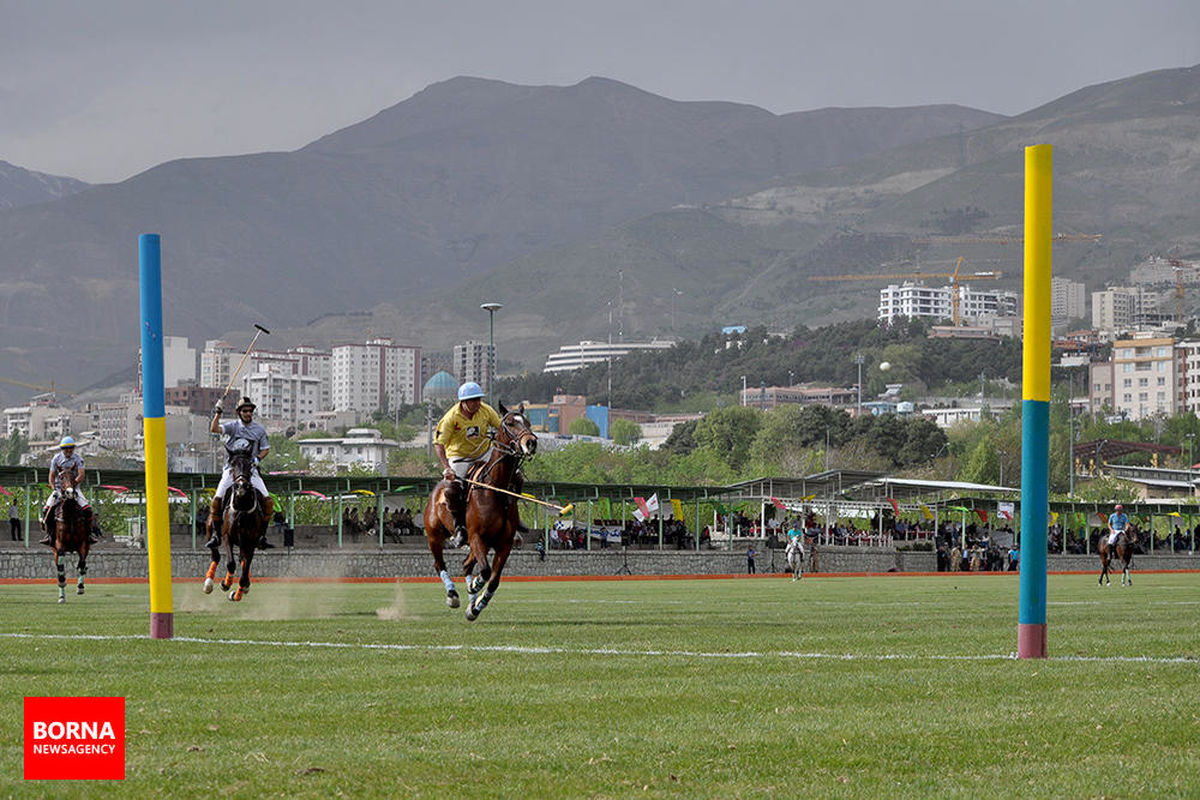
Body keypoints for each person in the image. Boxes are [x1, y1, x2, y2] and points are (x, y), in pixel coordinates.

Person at [433, 381, 503, 548]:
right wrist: (447, 467)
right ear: (463, 402)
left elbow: (501, 427)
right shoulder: (450, 418)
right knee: (452, 490)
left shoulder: (486, 410)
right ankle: (459, 529)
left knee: (507, 475)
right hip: (460, 457)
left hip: (484, 453)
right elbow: (438, 444)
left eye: (478, 399)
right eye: (473, 400)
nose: (477, 403)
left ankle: (512, 520)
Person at [205, 397, 273, 549]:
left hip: (251, 471)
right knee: (217, 499)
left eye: (250, 411)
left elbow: (265, 449)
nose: (248, 413)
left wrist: (258, 459)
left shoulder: (259, 430)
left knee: (268, 502)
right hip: (231, 471)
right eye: (245, 411)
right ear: (239, 412)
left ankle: (262, 536)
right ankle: (216, 535)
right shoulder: (233, 427)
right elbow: (214, 429)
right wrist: (218, 412)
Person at [40, 436, 98, 545]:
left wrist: (71, 485)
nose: (68, 451)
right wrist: (53, 488)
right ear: (62, 449)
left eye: (70, 448)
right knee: (46, 510)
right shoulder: (56, 459)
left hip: (74, 489)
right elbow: (51, 476)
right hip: (59, 489)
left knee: (88, 510)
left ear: (73, 448)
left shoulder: (78, 459)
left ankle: (90, 534)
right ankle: (48, 535)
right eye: (66, 449)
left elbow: (81, 474)